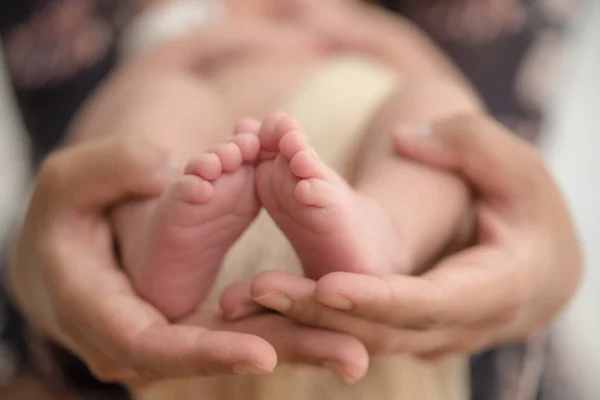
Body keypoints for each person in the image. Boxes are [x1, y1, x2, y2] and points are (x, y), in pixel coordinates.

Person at [0, 0, 580, 399]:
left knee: (436, 114)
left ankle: (388, 229)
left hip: (355, 153)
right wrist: (182, 47)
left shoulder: (359, 27)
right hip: (205, 151)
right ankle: (155, 226)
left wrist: (374, 40)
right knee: (151, 106)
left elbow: (461, 108)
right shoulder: (179, 26)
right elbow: (104, 110)